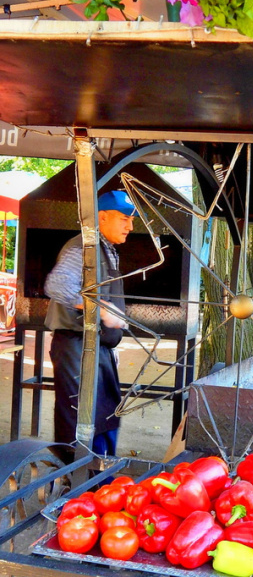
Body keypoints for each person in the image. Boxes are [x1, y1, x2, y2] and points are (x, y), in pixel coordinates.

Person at [44, 190, 137, 462]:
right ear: (102, 217)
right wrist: (103, 311)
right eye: (124, 219)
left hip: (96, 346)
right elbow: (57, 285)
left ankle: (98, 482)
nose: (130, 227)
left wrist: (110, 338)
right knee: (79, 418)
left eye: (131, 220)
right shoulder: (81, 247)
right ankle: (75, 483)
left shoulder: (104, 249)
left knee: (106, 413)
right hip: (75, 346)